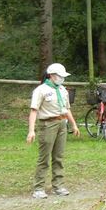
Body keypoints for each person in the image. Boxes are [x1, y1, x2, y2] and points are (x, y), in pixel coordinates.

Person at [27, 63, 80, 199]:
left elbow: (67, 109)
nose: (62, 79)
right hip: (48, 125)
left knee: (59, 156)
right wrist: (31, 130)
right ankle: (38, 188)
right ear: (51, 76)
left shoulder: (63, 90)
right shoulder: (41, 90)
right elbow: (34, 110)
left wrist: (74, 125)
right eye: (60, 76)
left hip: (62, 124)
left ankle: (58, 185)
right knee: (44, 157)